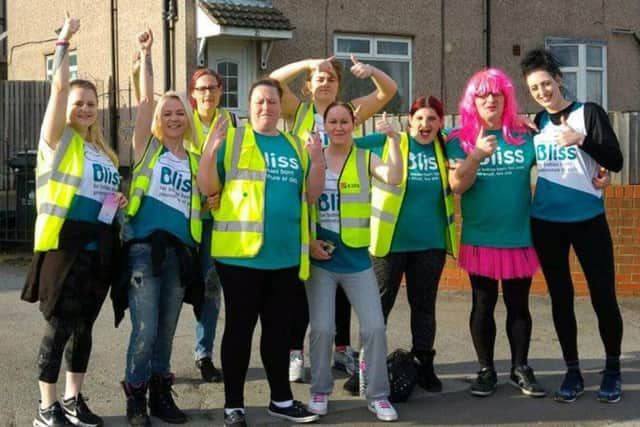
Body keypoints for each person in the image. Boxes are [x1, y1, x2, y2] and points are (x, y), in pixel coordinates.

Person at [198, 78, 324, 427]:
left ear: (280, 105)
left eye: (272, 100)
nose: (266, 106)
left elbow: (311, 196)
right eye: (259, 101)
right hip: (240, 257)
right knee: (239, 330)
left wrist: (317, 160)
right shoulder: (234, 140)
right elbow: (208, 187)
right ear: (250, 105)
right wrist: (210, 150)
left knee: (278, 332)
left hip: (285, 258)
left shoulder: (295, 144)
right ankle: (233, 405)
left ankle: (281, 400)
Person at [21, 13, 127, 427]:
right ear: (66, 107)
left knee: (84, 331)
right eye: (77, 103)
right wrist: (64, 41)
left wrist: (114, 199)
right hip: (63, 251)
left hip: (97, 251)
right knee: (59, 329)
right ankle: (46, 409)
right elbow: (60, 85)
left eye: (90, 104)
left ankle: (72, 401)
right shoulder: (57, 142)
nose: (83, 108)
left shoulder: (102, 152)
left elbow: (100, 199)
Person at [270, 54, 397, 381]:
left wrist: (371, 71)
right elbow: (273, 80)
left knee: (339, 288)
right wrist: (308, 62)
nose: (325, 81)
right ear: (309, 86)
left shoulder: (348, 112)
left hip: (342, 208)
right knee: (302, 287)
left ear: (340, 85)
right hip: (306, 206)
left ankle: (342, 351)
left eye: (331, 77)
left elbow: (388, 91)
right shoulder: (299, 112)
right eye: (319, 77)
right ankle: (295, 352)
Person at [520, 48, 624, 403]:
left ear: (559, 79)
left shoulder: (588, 114)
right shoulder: (537, 122)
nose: (542, 92)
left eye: (545, 84)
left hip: (588, 221)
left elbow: (615, 161)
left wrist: (581, 140)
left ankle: (612, 370)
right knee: (561, 300)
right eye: (534, 88)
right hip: (546, 224)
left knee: (602, 297)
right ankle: (573, 371)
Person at [119, 28, 203, 426]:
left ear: (187, 120)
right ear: (158, 120)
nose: (173, 117)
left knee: (167, 331)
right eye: (167, 113)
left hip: (180, 254)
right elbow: (145, 99)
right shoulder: (146, 147)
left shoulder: (193, 158)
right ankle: (135, 397)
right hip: (143, 251)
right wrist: (146, 54)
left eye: (179, 112)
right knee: (145, 330)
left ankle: (159, 395)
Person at [446, 68, 545, 398]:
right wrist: (475, 154)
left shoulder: (524, 135)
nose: (490, 99)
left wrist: (599, 172)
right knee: (483, 305)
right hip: (480, 238)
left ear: (506, 99)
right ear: (472, 101)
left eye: (497, 94)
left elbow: (561, 160)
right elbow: (457, 186)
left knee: (519, 306)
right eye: (483, 95)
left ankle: (520, 368)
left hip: (519, 238)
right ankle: (486, 369)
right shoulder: (457, 139)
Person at [305, 102, 402, 421]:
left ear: (354, 124)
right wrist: (307, 244)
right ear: (325, 125)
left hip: (357, 259)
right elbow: (303, 201)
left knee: (374, 327)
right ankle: (319, 391)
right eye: (332, 121)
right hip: (321, 258)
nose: (338, 127)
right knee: (322, 328)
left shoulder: (364, 156)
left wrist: (394, 142)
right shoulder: (312, 156)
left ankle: (377, 395)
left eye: (344, 121)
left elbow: (394, 176)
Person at [360, 95, 457, 393]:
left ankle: (424, 366)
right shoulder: (390, 140)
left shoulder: (447, 147)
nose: (425, 125)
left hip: (430, 244)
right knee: (378, 308)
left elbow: (481, 130)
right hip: (390, 243)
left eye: (432, 119)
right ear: (409, 121)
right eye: (419, 119)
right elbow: (344, 144)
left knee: (424, 306)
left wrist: (517, 122)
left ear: (441, 123)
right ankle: (365, 370)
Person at [187, 68, 237, 383]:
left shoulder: (229, 123)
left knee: (210, 288)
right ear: (193, 93)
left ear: (220, 91)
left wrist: (223, 196)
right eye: (202, 88)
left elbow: (235, 167)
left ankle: (203, 354)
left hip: (214, 222)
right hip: (183, 218)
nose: (208, 94)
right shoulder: (181, 120)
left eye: (213, 88)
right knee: (173, 288)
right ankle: (158, 363)